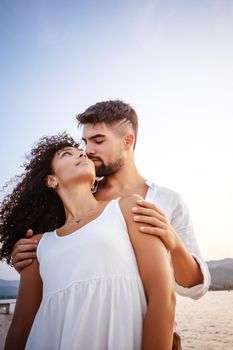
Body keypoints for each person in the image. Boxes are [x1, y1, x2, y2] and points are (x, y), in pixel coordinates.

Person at [11, 100, 210, 300]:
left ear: (127, 141)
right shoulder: (75, 201)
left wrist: (173, 242)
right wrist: (28, 257)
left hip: (155, 326)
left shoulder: (168, 200)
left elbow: (195, 287)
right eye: (85, 142)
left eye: (98, 141)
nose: (88, 150)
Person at [1, 133, 175, 350]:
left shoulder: (128, 209)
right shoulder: (37, 246)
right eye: (67, 154)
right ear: (51, 180)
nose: (82, 153)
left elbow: (163, 298)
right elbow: (20, 328)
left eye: (81, 151)